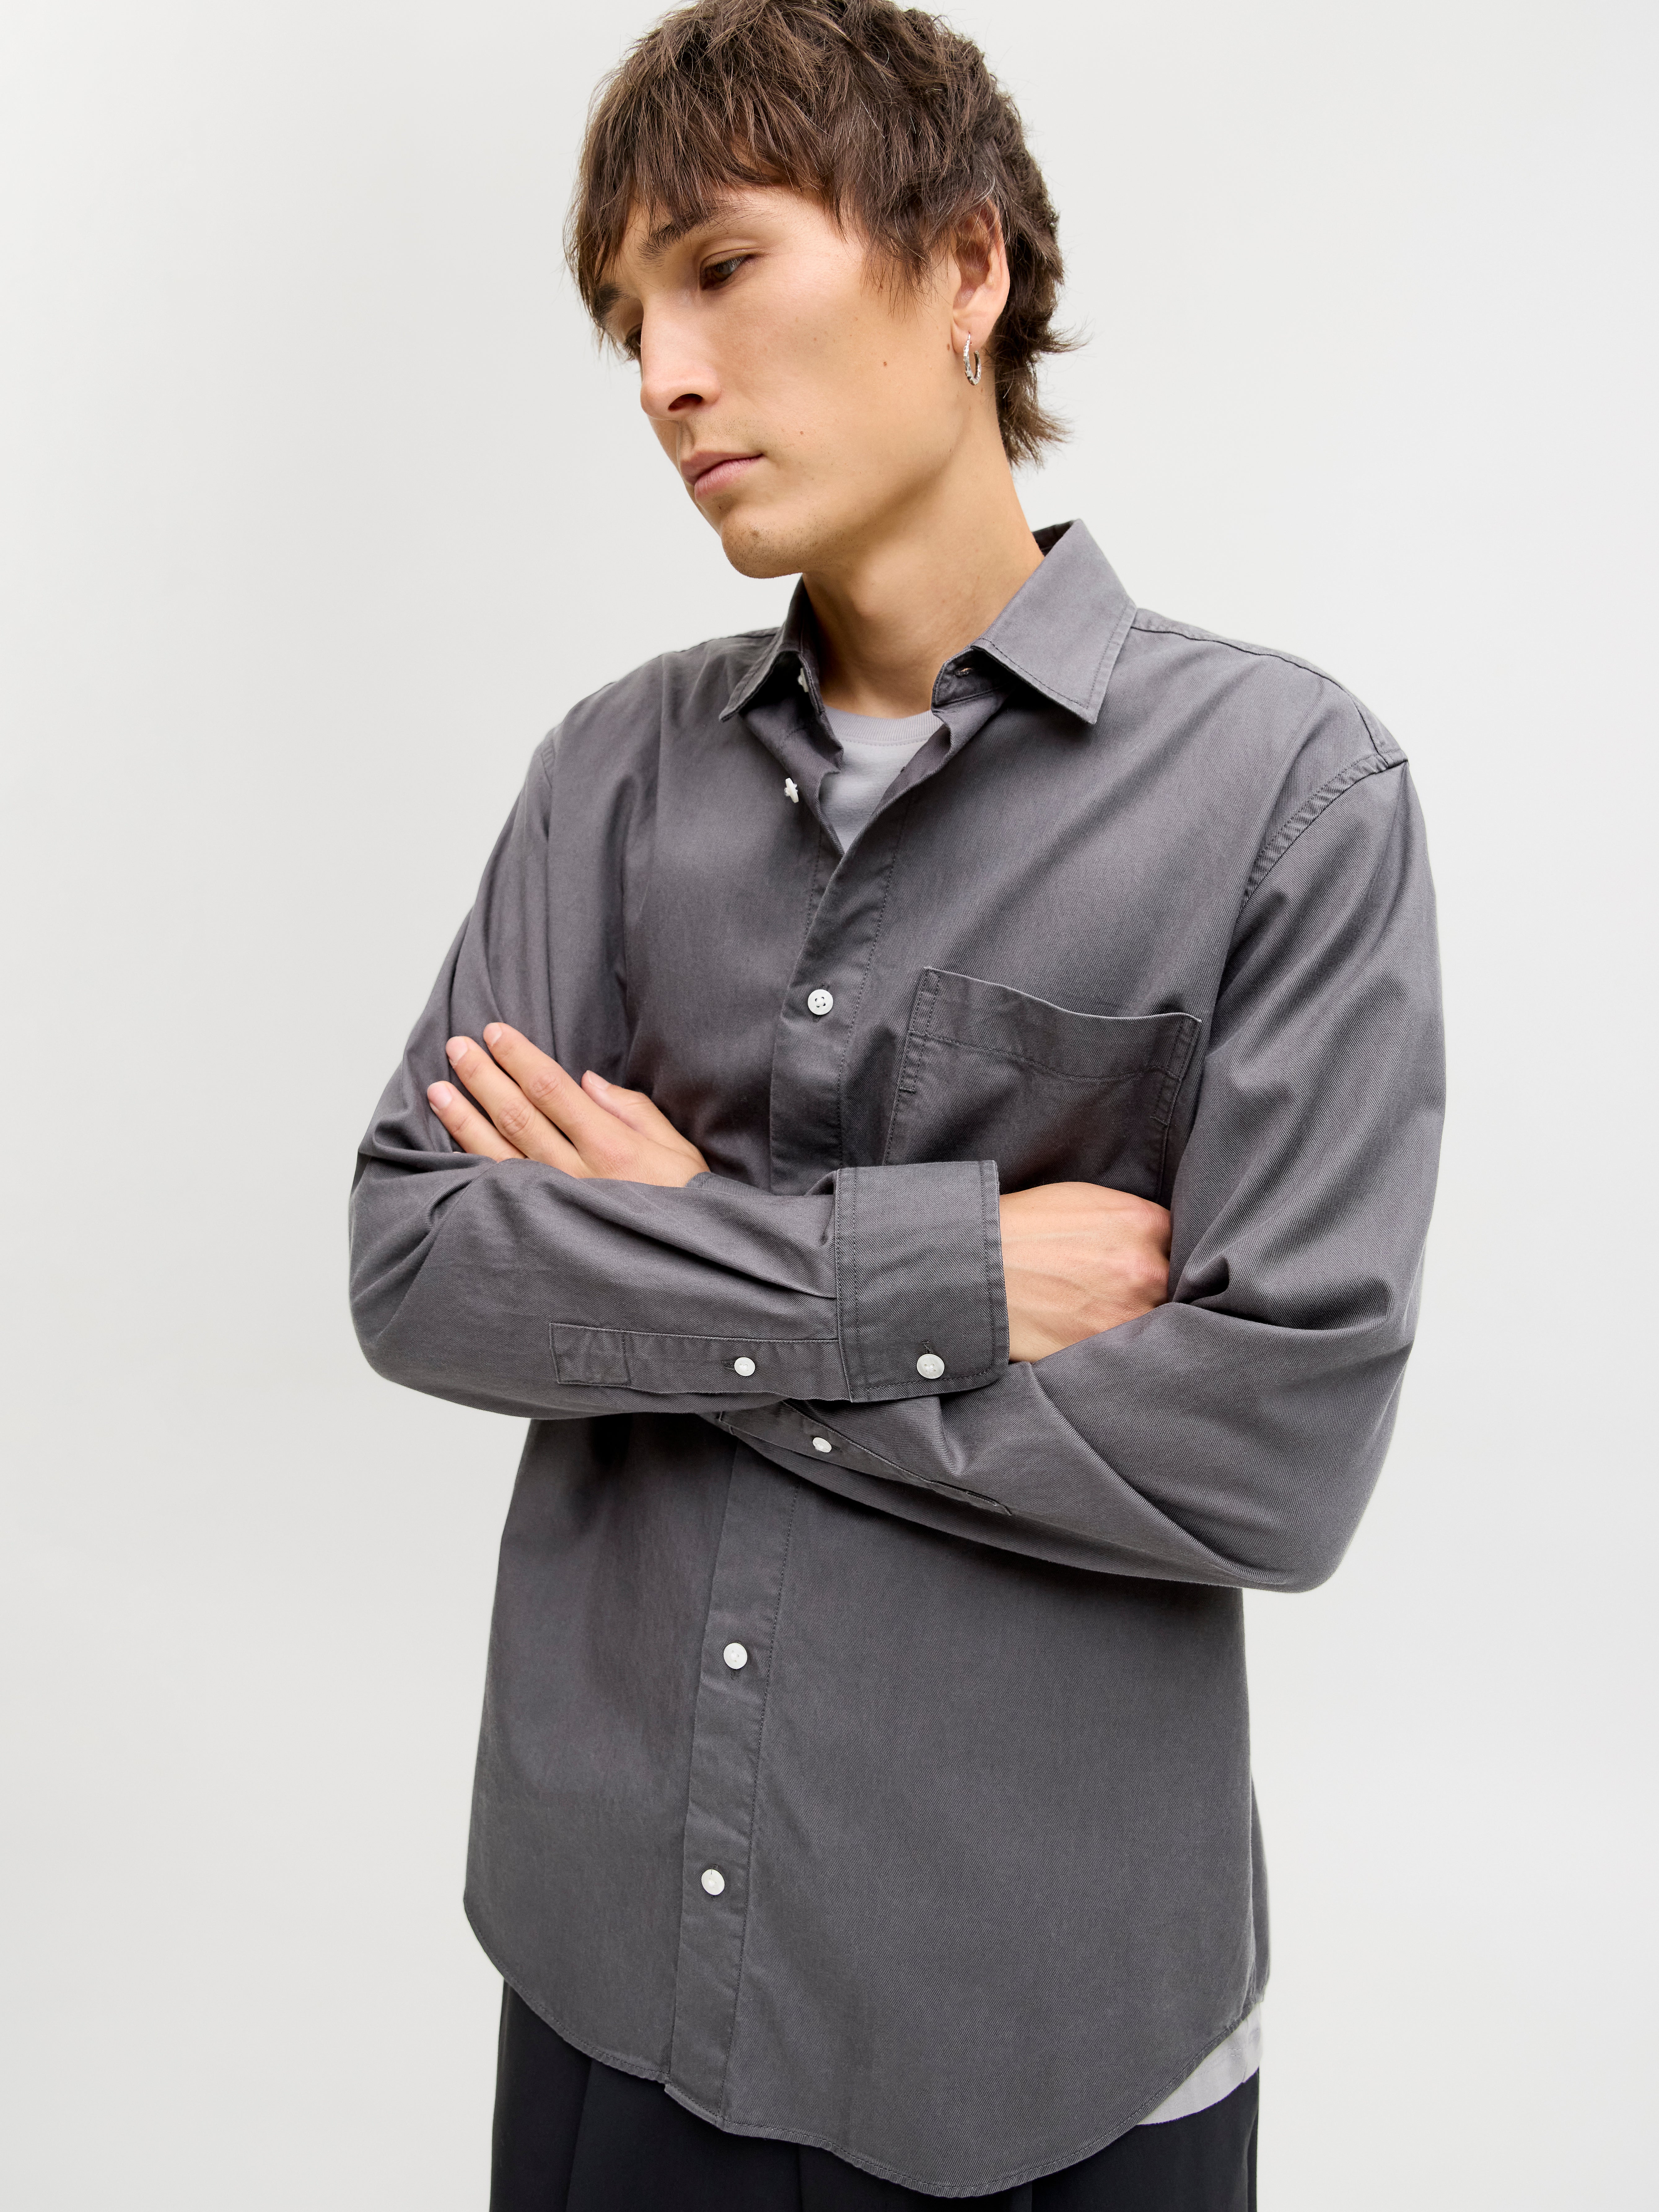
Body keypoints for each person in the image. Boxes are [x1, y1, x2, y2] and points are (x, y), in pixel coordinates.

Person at [348, 1, 1444, 2204]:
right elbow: (420, 1259)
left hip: (1044, 2037)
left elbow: (1277, 1450)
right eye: (629, 321)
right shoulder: (611, 774)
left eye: (720, 268)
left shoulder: (1289, 798)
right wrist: (934, 1276)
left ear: (966, 268)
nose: (662, 377)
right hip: (610, 1958)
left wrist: (670, 1263)